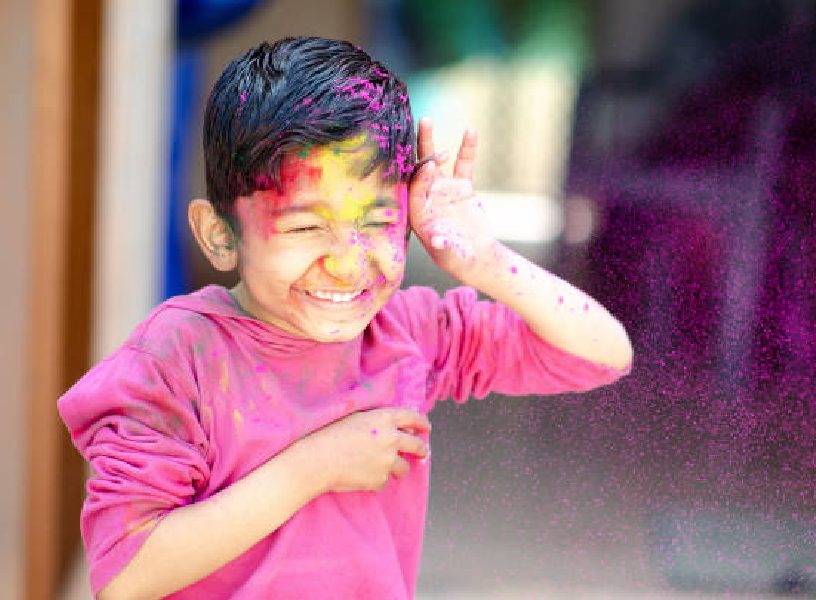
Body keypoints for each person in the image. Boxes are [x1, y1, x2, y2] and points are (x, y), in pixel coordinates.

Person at [58, 36, 633, 599]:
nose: (346, 263)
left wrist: (485, 262)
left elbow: (603, 355)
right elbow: (127, 575)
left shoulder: (406, 332)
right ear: (220, 236)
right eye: (306, 226)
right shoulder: (178, 357)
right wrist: (315, 466)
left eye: (377, 221)